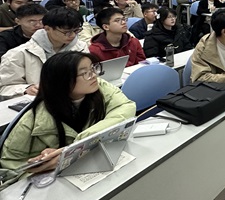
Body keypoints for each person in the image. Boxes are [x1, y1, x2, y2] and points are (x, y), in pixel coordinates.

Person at [0, 51, 136, 172]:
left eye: (93, 68)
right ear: (62, 81)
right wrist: (42, 166)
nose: (94, 75)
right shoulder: (30, 122)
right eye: (85, 73)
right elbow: (9, 167)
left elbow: (125, 106)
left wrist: (78, 146)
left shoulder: (100, 87)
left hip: (87, 162)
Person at [0, 7, 88, 97]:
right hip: (39, 101)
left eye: (76, 31)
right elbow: (4, 87)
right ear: (47, 28)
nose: (73, 35)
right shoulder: (18, 54)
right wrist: (26, 89)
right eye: (67, 32)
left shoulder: (81, 47)